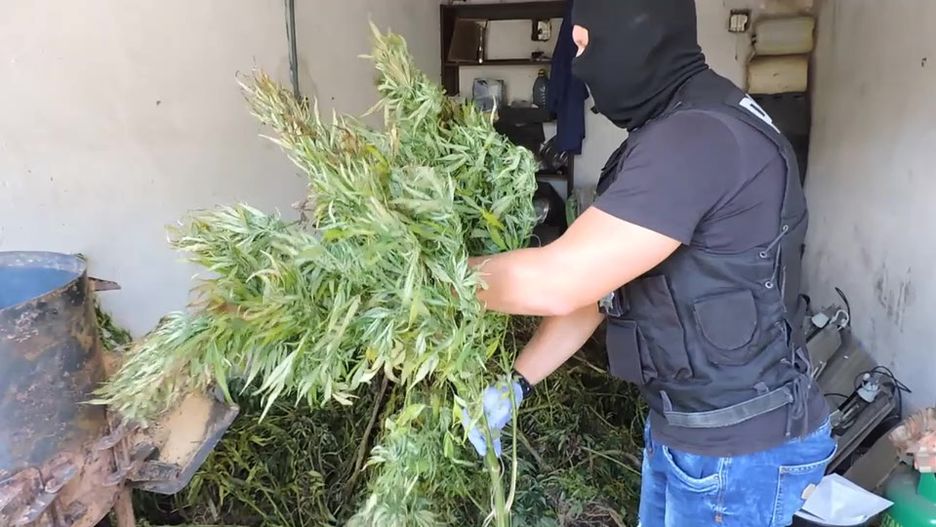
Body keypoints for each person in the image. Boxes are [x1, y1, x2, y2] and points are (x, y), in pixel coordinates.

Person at [464, 1, 834, 526]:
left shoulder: (697, 136)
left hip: (737, 455)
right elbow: (597, 288)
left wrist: (432, 276)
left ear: (636, 33)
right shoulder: (681, 126)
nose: (579, 69)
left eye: (584, 46)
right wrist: (518, 382)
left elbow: (559, 281)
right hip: (693, 433)